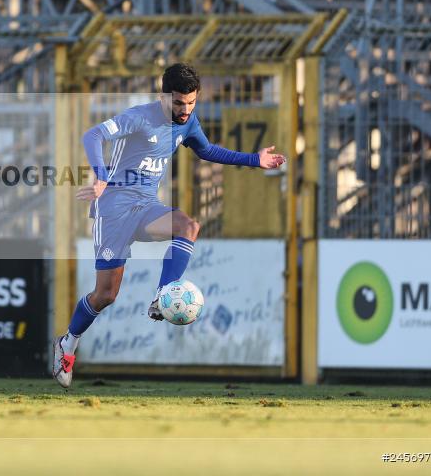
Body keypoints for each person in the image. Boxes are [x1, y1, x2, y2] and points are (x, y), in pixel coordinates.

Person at [52, 63, 286, 388]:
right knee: (106, 295)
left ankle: (163, 295)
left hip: (147, 208)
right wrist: (102, 178)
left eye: (191, 103)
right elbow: (92, 135)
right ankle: (68, 343)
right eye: (179, 103)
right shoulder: (139, 116)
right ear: (164, 96)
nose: (185, 110)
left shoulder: (187, 122)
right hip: (114, 212)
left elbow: (207, 150)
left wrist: (253, 159)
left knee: (188, 225)